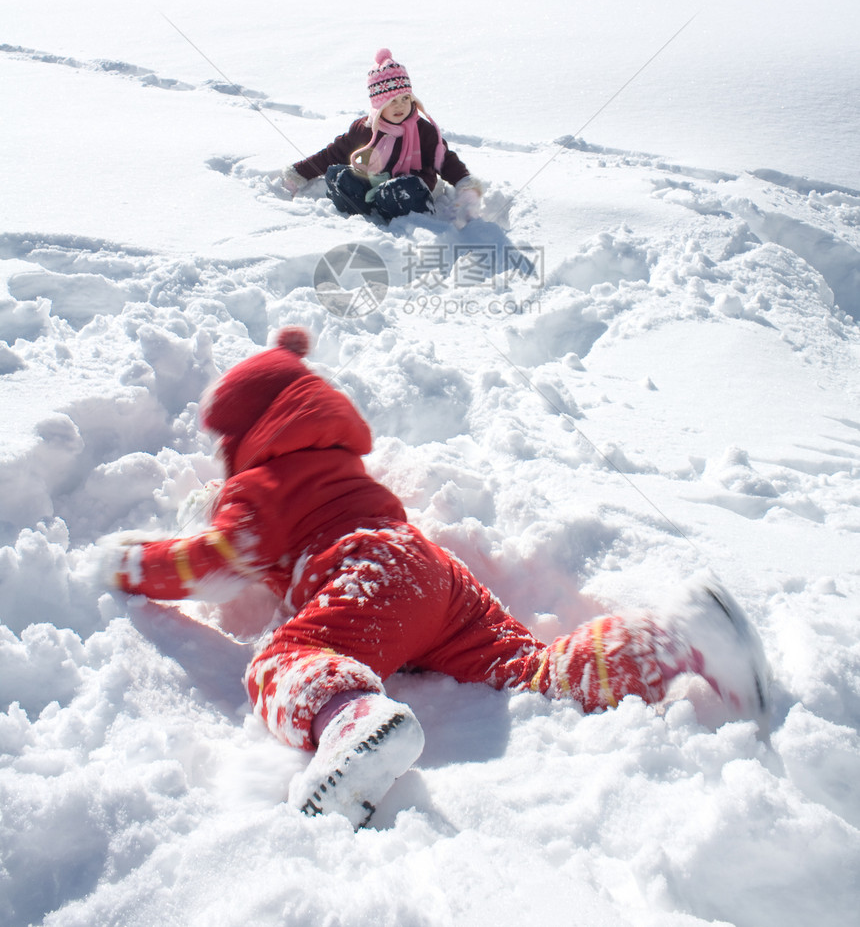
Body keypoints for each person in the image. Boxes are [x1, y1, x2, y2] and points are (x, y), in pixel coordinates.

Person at [99, 329, 770, 829]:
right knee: (531, 670)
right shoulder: (338, 462)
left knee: (285, 657)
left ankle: (350, 719)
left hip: (362, 577)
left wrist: (138, 563)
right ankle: (680, 637)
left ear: (244, 434)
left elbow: (213, 561)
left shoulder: (258, 485)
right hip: (430, 572)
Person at [282, 49, 482, 226]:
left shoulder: (423, 131)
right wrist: (299, 173)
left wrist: (465, 184)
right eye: (392, 101)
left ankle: (408, 217)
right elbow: (332, 154)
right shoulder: (364, 129)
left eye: (405, 98)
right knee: (338, 175)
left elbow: (445, 160)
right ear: (378, 105)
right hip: (372, 186)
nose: (401, 106)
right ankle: (363, 212)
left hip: (409, 192)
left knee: (404, 187)